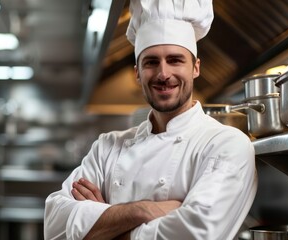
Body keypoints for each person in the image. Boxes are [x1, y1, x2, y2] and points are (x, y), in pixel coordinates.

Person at [44, 0, 257, 239]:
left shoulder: (227, 144)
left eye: (175, 60)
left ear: (196, 68)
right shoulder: (108, 147)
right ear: (137, 72)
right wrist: (142, 210)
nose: (163, 74)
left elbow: (197, 234)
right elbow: (54, 226)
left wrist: (103, 224)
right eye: (151, 62)